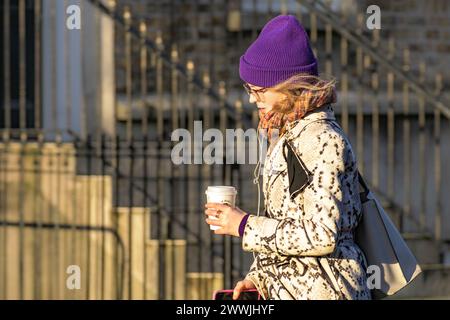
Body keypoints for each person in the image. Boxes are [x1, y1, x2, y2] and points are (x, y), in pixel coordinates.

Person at [204, 14, 371, 300]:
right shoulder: (288, 135)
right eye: (249, 89)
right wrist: (260, 278)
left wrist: (244, 225)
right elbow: (288, 223)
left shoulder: (323, 139)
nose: (251, 98)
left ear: (289, 88)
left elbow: (322, 234)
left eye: (259, 90)